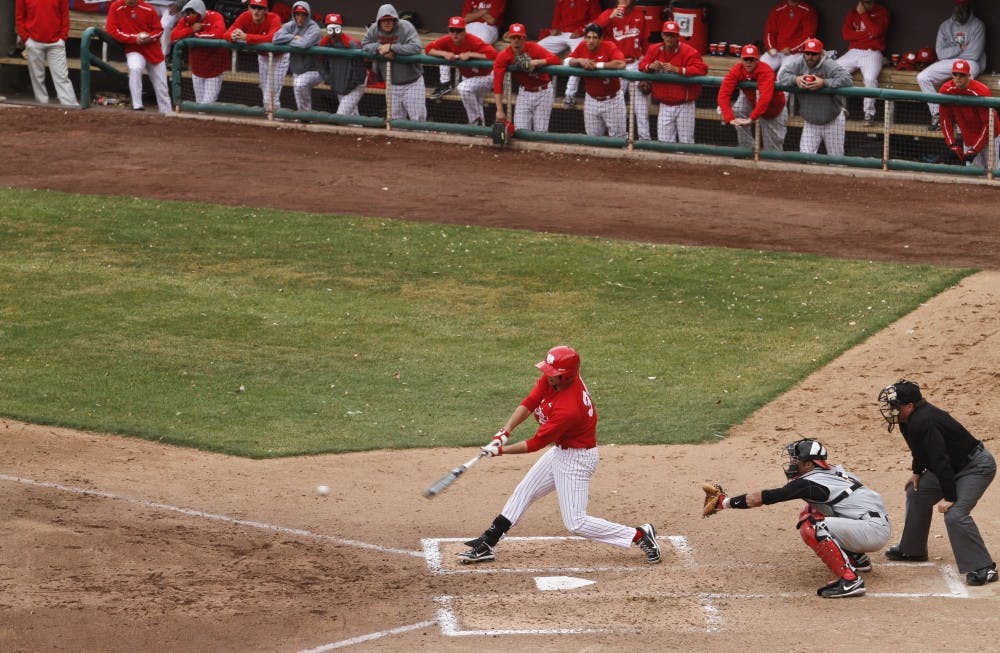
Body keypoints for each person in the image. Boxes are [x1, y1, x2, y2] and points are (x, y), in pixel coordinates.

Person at [457, 345, 662, 566]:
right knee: (524, 491)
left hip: (577, 460)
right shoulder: (554, 379)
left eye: (553, 373)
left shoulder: (568, 409)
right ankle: (488, 542)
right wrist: (504, 433)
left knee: (576, 523)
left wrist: (500, 451)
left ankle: (640, 535)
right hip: (561, 451)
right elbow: (530, 402)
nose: (547, 376)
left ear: (566, 376)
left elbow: (535, 443)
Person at [706, 439, 890, 598]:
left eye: (796, 460)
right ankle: (858, 558)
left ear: (809, 464)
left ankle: (850, 580)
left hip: (871, 530)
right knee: (812, 510)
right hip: (870, 525)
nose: (792, 464)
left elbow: (761, 498)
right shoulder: (833, 472)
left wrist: (725, 503)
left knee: (812, 525)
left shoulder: (809, 482)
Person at [878, 380, 997, 586]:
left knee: (955, 515)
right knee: (917, 491)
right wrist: (917, 472)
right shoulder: (907, 420)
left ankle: (983, 568)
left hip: (975, 467)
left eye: (895, 405)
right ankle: (912, 550)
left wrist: (950, 497)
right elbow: (920, 449)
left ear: (909, 406)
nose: (891, 410)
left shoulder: (926, 421)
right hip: (952, 467)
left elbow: (940, 460)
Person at [917, 0, 987, 131]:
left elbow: (974, 54)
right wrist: (960, 47)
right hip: (949, 62)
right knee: (923, 77)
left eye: (963, 7)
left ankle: (962, 121)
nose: (960, 10)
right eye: (958, 7)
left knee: (965, 79)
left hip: (971, 63)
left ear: (969, 8)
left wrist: (953, 52)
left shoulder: (978, 25)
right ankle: (938, 115)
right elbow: (940, 53)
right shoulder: (945, 26)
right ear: (954, 8)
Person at [777, 38, 853, 157]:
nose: (810, 57)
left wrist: (824, 83)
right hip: (811, 122)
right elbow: (782, 76)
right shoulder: (799, 62)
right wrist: (795, 79)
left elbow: (848, 80)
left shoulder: (829, 64)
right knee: (805, 159)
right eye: (807, 53)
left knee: (837, 161)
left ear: (821, 53)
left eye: (814, 54)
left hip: (833, 120)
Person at [638, 20, 707, 144]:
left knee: (686, 143)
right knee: (664, 143)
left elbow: (702, 69)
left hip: (684, 105)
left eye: (672, 35)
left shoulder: (689, 51)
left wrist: (678, 69)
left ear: (677, 37)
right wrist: (651, 66)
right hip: (664, 105)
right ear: (662, 35)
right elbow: (642, 65)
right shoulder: (654, 49)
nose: (669, 38)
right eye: (667, 34)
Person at [594, 0, 654, 140]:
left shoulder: (639, 15)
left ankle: (645, 141)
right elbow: (593, 30)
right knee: (614, 106)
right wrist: (610, 17)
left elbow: (645, 44)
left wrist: (646, 72)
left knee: (641, 109)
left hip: (635, 64)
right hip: (617, 66)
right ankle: (617, 139)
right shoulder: (609, 14)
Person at [425, 16, 498, 126]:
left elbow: (494, 55)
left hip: (486, 76)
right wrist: (445, 54)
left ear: (464, 31)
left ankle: (475, 121)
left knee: (463, 88)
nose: (455, 34)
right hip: (468, 76)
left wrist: (471, 54)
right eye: (452, 30)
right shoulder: (447, 40)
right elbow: (428, 49)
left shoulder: (473, 40)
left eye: (458, 30)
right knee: (476, 101)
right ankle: (480, 129)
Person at [491, 22, 561, 133]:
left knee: (540, 132)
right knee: (520, 131)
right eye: (513, 37)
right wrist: (499, 110)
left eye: (519, 37)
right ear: (509, 38)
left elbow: (556, 60)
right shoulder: (504, 55)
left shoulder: (533, 47)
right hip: (524, 92)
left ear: (524, 39)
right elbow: (497, 84)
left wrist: (537, 62)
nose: (516, 41)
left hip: (543, 91)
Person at [361, 4, 427, 122]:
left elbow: (416, 47)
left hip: (412, 83)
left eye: (390, 19)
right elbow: (364, 44)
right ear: (379, 21)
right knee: (396, 121)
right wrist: (380, 48)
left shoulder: (406, 26)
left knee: (418, 120)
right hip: (392, 84)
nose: (387, 23)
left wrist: (392, 48)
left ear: (395, 19)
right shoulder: (374, 29)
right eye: (384, 20)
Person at [106, 0, 172, 113]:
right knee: (135, 67)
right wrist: (134, 39)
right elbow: (112, 30)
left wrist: (149, 37)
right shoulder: (116, 7)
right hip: (134, 48)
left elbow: (158, 30)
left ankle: (166, 112)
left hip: (153, 49)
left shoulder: (148, 8)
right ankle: (137, 106)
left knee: (162, 87)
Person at [717, 44, 787, 152]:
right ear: (741, 59)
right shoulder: (737, 69)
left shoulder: (765, 70)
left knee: (773, 150)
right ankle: (747, 149)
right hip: (753, 101)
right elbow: (723, 94)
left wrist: (751, 118)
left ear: (757, 59)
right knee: (738, 109)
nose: (748, 62)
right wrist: (729, 118)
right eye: (746, 59)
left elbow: (765, 98)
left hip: (774, 109)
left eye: (752, 59)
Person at [432, 0, 507, 99]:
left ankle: (486, 82)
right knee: (447, 47)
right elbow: (465, 18)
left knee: (479, 47)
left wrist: (475, 13)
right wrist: (483, 12)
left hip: (488, 28)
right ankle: (445, 83)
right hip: (469, 27)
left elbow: (491, 20)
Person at [565, 23, 626, 138]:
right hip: (591, 100)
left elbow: (621, 63)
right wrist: (580, 61)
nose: (591, 41)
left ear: (601, 39)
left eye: (594, 37)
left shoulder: (609, 46)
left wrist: (597, 65)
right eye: (588, 37)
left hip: (612, 100)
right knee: (592, 138)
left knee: (618, 139)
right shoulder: (582, 46)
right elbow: (566, 61)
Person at [537, 0, 602, 108]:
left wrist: (582, 31)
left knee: (578, 57)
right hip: (562, 34)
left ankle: (569, 95)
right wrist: (555, 28)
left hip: (580, 35)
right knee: (537, 48)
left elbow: (597, 20)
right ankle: (538, 88)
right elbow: (557, 18)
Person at [14, 0, 79, 107]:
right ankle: (42, 107)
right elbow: (19, 17)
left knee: (61, 76)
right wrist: (26, 39)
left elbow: (65, 15)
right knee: (37, 77)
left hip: (56, 43)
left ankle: (71, 107)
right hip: (33, 42)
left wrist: (62, 38)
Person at [225, 0, 285, 112]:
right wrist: (232, 36)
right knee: (265, 92)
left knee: (271, 94)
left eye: (259, 8)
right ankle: (270, 117)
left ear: (265, 10)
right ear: (249, 8)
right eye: (253, 7)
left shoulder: (274, 18)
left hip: (279, 58)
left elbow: (271, 38)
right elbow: (227, 33)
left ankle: (276, 118)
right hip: (263, 56)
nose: (256, 11)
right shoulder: (245, 16)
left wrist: (246, 37)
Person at [939, 59, 1000, 169]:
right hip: (969, 137)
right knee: (974, 174)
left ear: (968, 75)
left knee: (994, 171)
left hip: (990, 136)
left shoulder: (981, 91)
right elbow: (945, 119)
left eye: (961, 75)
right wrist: (952, 144)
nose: (958, 77)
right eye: (955, 74)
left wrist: (975, 149)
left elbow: (989, 124)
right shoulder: (946, 90)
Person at [837, 0, 890, 124]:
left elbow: (876, 32)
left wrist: (863, 15)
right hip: (853, 52)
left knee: (870, 79)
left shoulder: (882, 12)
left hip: (872, 52)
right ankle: (838, 110)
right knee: (833, 70)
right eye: (863, 3)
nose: (864, 5)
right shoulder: (852, 13)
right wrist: (868, 34)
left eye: (867, 3)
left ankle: (869, 113)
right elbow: (846, 35)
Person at [170, 0, 228, 105]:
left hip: (214, 68)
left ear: (200, 12)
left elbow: (218, 34)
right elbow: (173, 37)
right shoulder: (186, 21)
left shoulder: (215, 16)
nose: (190, 15)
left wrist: (195, 36)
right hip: (197, 68)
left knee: (206, 105)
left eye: (193, 12)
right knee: (199, 104)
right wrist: (191, 30)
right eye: (188, 13)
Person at [313, 13, 367, 117]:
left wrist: (351, 85)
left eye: (336, 27)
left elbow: (360, 71)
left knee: (341, 115)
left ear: (340, 28)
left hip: (356, 83)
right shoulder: (324, 43)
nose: (333, 33)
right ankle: (357, 128)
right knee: (352, 115)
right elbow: (319, 61)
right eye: (330, 27)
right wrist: (329, 78)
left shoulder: (352, 44)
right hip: (341, 82)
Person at [272, 1, 322, 113]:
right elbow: (275, 39)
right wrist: (293, 37)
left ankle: (306, 116)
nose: (300, 18)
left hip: (315, 70)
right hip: (298, 69)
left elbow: (303, 44)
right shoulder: (290, 25)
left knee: (299, 84)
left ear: (307, 15)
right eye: (297, 14)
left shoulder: (314, 29)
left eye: (303, 15)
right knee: (300, 93)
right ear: (294, 15)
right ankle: (305, 117)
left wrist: (286, 41)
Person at [760, 0, 818, 74]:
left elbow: (809, 37)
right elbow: (769, 32)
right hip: (777, 51)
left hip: (795, 53)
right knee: (759, 69)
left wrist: (792, 50)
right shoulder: (777, 9)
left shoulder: (807, 10)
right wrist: (771, 48)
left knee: (783, 76)